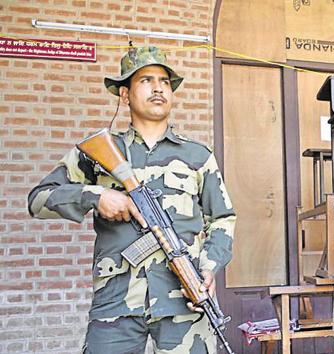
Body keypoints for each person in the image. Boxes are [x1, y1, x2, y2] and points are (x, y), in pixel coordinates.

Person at [28, 46, 236, 354]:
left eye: (165, 81)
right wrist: (96, 195)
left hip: (184, 301)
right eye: (146, 80)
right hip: (116, 303)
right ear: (124, 94)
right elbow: (38, 199)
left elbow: (222, 218)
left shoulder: (198, 155)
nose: (158, 88)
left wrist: (207, 267)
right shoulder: (100, 152)